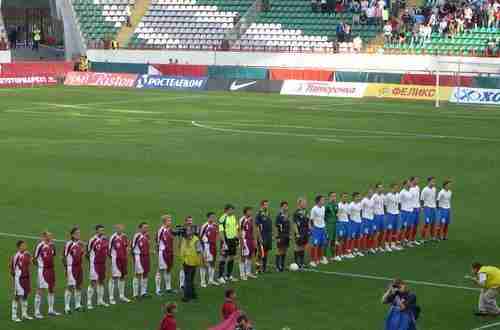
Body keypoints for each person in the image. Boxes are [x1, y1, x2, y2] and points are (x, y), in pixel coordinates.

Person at [34, 231, 60, 318]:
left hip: (51, 270)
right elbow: (34, 259)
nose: (51, 237)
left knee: (51, 289)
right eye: (49, 236)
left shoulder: (52, 245)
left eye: (51, 236)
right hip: (42, 270)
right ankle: (37, 312)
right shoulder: (40, 246)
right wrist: (40, 267)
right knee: (40, 290)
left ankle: (51, 310)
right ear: (44, 237)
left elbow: (53, 256)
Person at [87, 224, 109, 309]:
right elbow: (88, 253)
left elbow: (106, 250)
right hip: (94, 264)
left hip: (102, 263)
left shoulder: (105, 239)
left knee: (101, 281)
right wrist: (92, 263)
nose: (102, 232)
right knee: (93, 282)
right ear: (96, 231)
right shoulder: (92, 240)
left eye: (103, 230)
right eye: (100, 230)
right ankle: (89, 302)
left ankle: (100, 300)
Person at [63, 227, 85, 314]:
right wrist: (66, 268)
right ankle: (67, 307)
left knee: (79, 286)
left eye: (79, 233)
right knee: (70, 286)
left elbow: (81, 255)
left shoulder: (80, 244)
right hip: (71, 267)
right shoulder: (69, 244)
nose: (78, 235)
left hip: (79, 267)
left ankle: (77, 305)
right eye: (77, 233)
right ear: (72, 235)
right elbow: (64, 257)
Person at [10, 240, 33, 322]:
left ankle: (24, 314)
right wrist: (13, 282)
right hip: (18, 279)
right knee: (17, 296)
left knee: (25, 296)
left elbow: (31, 263)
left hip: (26, 278)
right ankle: (14, 315)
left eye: (25, 245)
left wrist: (31, 258)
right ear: (19, 247)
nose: (25, 246)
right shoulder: (15, 256)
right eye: (23, 245)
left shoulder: (27, 254)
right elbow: (12, 270)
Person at [108, 224, 131, 304]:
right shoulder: (113, 238)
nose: (120, 230)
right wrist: (113, 259)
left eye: (121, 228)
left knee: (123, 277)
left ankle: (121, 295)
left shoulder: (124, 236)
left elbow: (128, 246)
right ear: (116, 229)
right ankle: (111, 297)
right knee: (114, 277)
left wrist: (127, 253)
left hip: (123, 260)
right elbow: (109, 250)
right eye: (118, 228)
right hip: (116, 260)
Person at [180, 227, 202, 302]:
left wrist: (199, 261)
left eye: (189, 231)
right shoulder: (184, 239)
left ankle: (191, 294)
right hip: (186, 262)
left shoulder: (196, 240)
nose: (188, 232)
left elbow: (199, 251)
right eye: (187, 231)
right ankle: (187, 296)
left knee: (190, 279)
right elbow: (182, 249)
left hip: (193, 262)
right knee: (188, 280)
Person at [218, 204, 239, 284]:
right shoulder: (223, 218)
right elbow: (221, 231)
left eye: (233, 210)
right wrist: (224, 242)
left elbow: (236, 228)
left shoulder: (233, 217)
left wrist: (237, 238)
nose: (232, 211)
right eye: (230, 210)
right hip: (226, 241)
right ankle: (220, 277)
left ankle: (228, 275)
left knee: (232, 257)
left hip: (233, 240)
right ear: (226, 210)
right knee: (223, 258)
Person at [156, 214, 176, 295]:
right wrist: (159, 252)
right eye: (169, 220)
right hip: (163, 252)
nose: (170, 222)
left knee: (168, 269)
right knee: (160, 270)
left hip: (169, 252)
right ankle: (158, 289)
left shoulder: (170, 230)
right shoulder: (161, 230)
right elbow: (157, 242)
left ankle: (168, 288)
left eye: (170, 220)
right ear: (164, 222)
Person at [200, 212, 219, 287]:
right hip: (206, 247)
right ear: (208, 218)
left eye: (214, 217)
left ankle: (211, 280)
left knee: (212, 262)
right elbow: (200, 237)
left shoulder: (215, 225)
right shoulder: (204, 226)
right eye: (211, 217)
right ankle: (203, 281)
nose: (213, 218)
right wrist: (202, 249)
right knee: (204, 263)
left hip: (213, 246)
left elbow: (216, 235)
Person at [132, 222, 151, 298]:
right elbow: (132, 247)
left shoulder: (147, 236)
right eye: (144, 227)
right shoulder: (137, 236)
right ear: (140, 228)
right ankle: (135, 294)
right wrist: (135, 259)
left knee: (145, 274)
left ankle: (143, 292)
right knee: (138, 274)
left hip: (146, 257)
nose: (146, 229)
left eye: (147, 227)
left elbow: (147, 245)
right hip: (139, 257)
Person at [239, 207, 257, 280]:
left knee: (249, 256)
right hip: (244, 240)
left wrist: (254, 240)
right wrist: (241, 242)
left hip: (250, 240)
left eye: (251, 211)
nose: (250, 212)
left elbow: (253, 229)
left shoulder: (251, 219)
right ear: (245, 212)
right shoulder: (242, 220)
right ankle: (242, 274)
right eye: (249, 211)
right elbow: (239, 231)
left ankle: (248, 272)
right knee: (243, 257)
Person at [255, 200, 273, 273]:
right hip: (262, 236)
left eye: (267, 205)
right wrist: (259, 237)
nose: (266, 206)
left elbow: (270, 224)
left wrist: (272, 234)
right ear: (261, 205)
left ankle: (264, 268)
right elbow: (257, 227)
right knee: (260, 253)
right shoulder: (259, 214)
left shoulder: (267, 213)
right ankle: (257, 269)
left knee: (266, 252)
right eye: (265, 205)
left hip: (268, 235)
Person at [310, 195, 327, 267]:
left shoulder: (323, 208)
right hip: (316, 229)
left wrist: (324, 227)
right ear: (318, 201)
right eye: (322, 200)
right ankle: (313, 260)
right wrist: (312, 229)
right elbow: (311, 220)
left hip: (322, 228)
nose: (324, 201)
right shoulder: (314, 209)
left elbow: (323, 218)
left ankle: (320, 258)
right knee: (315, 245)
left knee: (322, 244)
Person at [292, 197, 309, 268]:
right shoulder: (296, 213)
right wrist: (297, 233)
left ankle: (301, 262)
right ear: (299, 203)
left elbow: (308, 222)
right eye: (304, 203)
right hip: (299, 231)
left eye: (305, 203)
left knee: (303, 246)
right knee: (297, 246)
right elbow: (294, 223)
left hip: (305, 231)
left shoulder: (306, 211)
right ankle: (296, 262)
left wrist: (309, 230)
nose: (305, 204)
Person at [420, 177, 437, 242]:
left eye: (434, 181)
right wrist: (422, 207)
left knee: (433, 223)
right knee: (426, 223)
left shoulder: (434, 189)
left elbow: (434, 198)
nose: (433, 183)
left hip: (433, 208)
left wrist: (434, 206)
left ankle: (432, 237)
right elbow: (421, 199)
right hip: (427, 208)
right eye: (432, 181)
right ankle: (422, 238)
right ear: (429, 182)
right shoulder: (425, 190)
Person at [275, 201, 290, 272]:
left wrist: (289, 234)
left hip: (286, 235)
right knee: (279, 250)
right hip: (281, 235)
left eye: (286, 206)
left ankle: (282, 265)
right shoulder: (279, 215)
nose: (286, 207)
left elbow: (288, 225)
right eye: (284, 206)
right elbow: (276, 226)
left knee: (285, 250)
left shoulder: (287, 215)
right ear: (281, 207)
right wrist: (277, 237)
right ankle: (277, 266)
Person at [348, 192, 364, 257]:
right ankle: (351, 251)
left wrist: (360, 220)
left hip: (359, 222)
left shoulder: (360, 204)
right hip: (353, 223)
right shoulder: (351, 205)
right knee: (352, 237)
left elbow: (360, 212)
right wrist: (351, 222)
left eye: (359, 197)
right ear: (354, 197)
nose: (359, 198)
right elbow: (348, 214)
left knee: (359, 237)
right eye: (357, 197)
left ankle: (357, 250)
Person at [337, 193, 352, 258]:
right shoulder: (338, 205)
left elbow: (348, 214)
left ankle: (344, 253)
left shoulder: (347, 205)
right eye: (344, 197)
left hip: (346, 223)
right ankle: (338, 254)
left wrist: (349, 222)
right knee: (340, 238)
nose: (345, 198)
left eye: (346, 197)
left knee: (346, 238)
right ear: (341, 198)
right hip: (340, 223)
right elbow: (336, 215)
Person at [372, 183, 386, 252]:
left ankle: (380, 246)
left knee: (383, 231)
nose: (381, 189)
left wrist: (384, 214)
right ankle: (375, 246)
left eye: (382, 187)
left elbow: (384, 205)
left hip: (382, 215)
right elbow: (371, 206)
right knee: (376, 232)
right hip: (376, 216)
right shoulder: (374, 196)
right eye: (380, 188)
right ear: (377, 189)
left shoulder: (383, 196)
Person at [361, 189, 376, 253]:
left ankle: (369, 247)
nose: (371, 194)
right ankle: (364, 248)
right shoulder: (364, 200)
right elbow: (360, 209)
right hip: (366, 219)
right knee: (365, 235)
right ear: (367, 193)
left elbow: (373, 209)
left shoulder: (372, 200)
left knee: (371, 234)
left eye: (372, 192)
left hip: (371, 219)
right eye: (369, 192)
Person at [325, 192, 339, 261]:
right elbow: (323, 216)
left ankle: (333, 256)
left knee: (333, 241)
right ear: (329, 197)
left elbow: (337, 214)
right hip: (328, 225)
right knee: (327, 241)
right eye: (332, 196)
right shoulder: (327, 206)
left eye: (335, 196)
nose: (334, 198)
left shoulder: (336, 205)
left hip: (335, 225)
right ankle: (324, 257)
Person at [399, 180, 414, 247]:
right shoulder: (402, 192)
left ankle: (408, 241)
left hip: (410, 211)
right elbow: (399, 202)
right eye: (409, 183)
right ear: (405, 184)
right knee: (403, 227)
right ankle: (401, 241)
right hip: (404, 212)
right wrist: (401, 211)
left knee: (410, 227)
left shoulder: (410, 191)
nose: (410, 184)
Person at [409, 177, 422, 246]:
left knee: (416, 225)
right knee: (411, 225)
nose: (417, 181)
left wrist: (419, 206)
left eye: (417, 180)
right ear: (412, 181)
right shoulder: (410, 189)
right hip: (412, 209)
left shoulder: (418, 188)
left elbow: (418, 198)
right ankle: (409, 240)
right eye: (416, 180)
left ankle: (413, 239)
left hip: (417, 208)